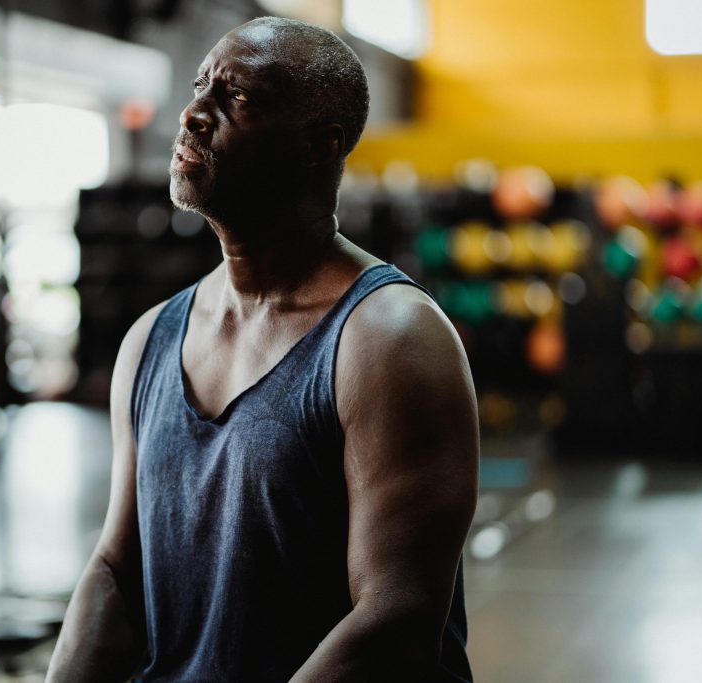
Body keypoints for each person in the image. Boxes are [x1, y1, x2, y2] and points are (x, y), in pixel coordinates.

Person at [47, 16, 479, 683]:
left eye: (235, 97)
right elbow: (115, 567)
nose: (193, 113)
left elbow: (395, 622)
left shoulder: (390, 340)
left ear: (319, 145)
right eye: (199, 88)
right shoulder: (150, 340)